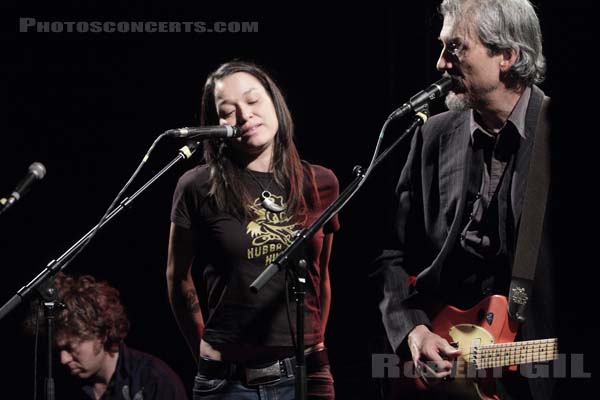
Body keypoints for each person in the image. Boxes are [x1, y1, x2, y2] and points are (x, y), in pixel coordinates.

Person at [377, 0, 554, 399]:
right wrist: (415, 331)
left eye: (455, 48)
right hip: (445, 379)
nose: (441, 63)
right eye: (442, 47)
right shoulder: (431, 135)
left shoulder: (564, 136)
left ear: (507, 55)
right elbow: (391, 254)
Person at [166, 61, 339, 400]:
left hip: (306, 374)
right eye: (228, 111)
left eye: (253, 100)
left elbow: (322, 276)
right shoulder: (197, 186)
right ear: (215, 125)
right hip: (228, 381)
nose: (245, 116)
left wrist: (313, 340)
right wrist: (203, 350)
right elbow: (177, 279)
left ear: (274, 101)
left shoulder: (321, 183)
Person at [25, 273, 188, 400]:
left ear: (99, 333)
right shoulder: (66, 385)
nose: (64, 359)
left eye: (70, 347)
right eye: (59, 349)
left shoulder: (154, 380)